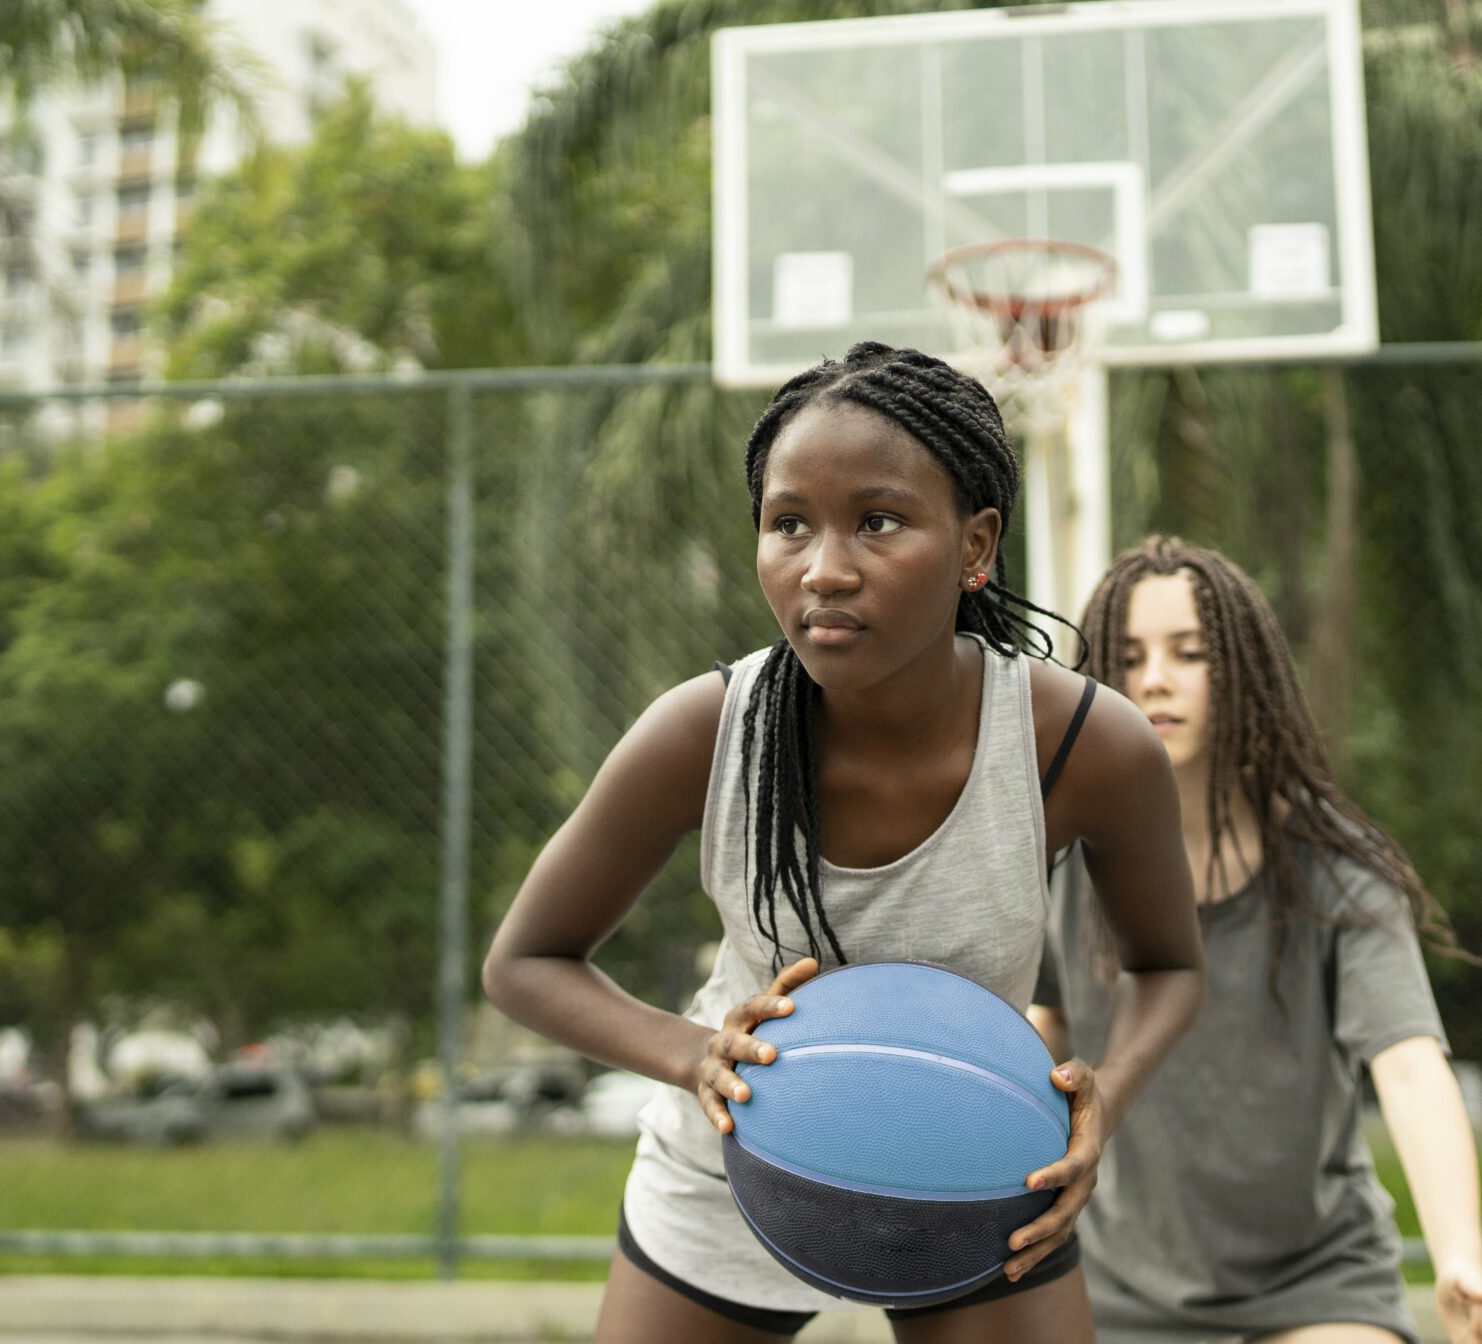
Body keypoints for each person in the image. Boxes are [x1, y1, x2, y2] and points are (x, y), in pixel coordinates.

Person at [483, 342, 1207, 1344]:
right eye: (788, 525)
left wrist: (1102, 1108)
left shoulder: (1082, 743)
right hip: (740, 1156)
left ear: (974, 544)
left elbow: (1168, 967)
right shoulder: (704, 730)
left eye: (877, 521)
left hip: (978, 1154)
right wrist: (697, 1056)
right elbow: (524, 962)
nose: (823, 568)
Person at [1029, 536, 1482, 1344]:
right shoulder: (1063, 859)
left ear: (1246, 671)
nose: (1156, 678)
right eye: (1132, 655)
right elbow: (1039, 1040)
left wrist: (1460, 1257)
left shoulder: (1337, 870)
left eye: (1190, 652)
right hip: (1113, 1291)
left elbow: (1412, 1067)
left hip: (1316, 1280)